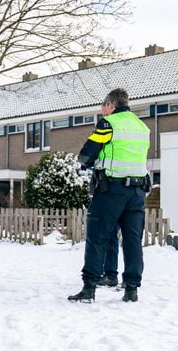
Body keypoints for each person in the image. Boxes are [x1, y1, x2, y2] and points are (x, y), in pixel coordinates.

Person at [68, 88, 150, 303]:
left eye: (103, 106)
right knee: (133, 240)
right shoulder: (142, 126)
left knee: (98, 237)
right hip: (138, 192)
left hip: (112, 190)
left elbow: (87, 153)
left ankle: (89, 288)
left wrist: (86, 164)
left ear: (111, 105)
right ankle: (131, 289)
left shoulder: (108, 123)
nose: (102, 111)